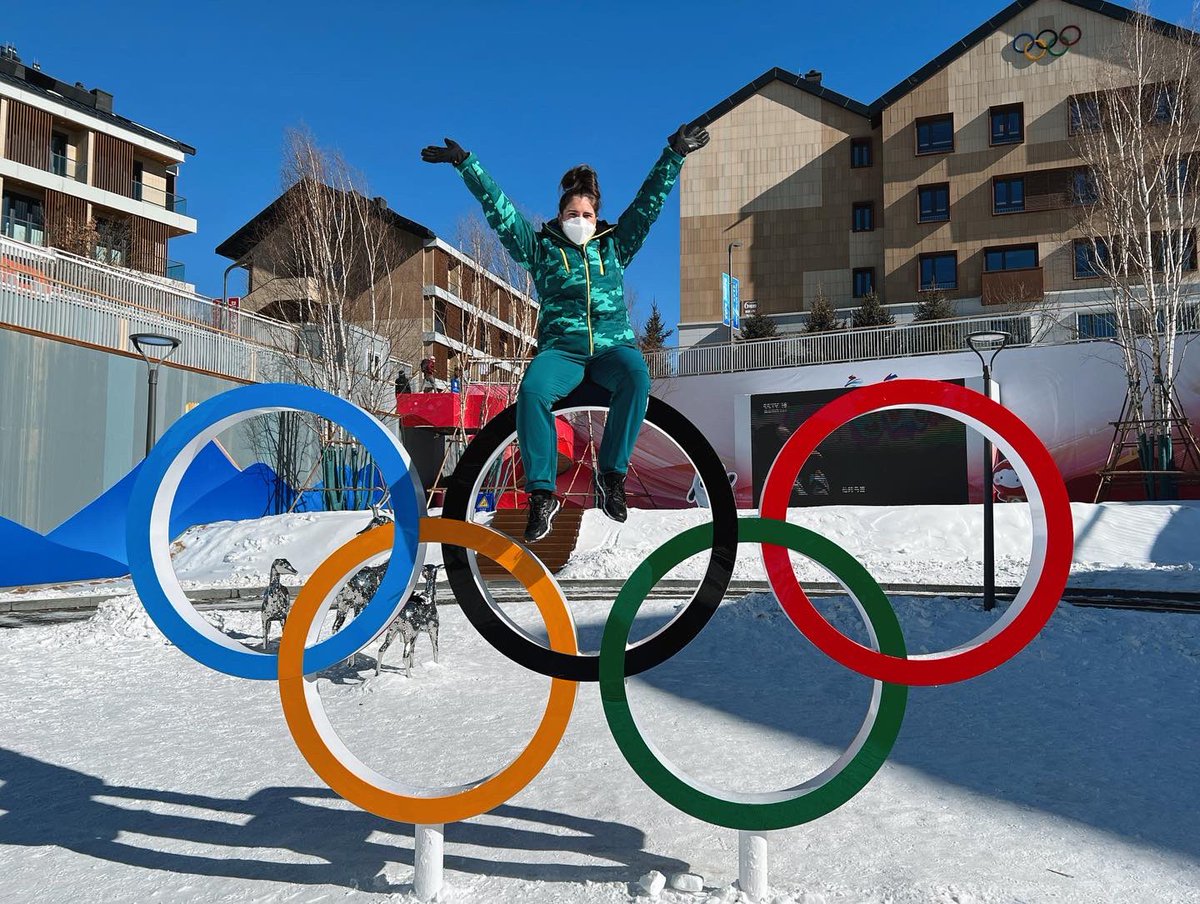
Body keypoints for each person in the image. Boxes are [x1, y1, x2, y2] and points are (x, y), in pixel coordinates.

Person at [422, 124, 709, 542]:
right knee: (534, 390)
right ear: (560, 216)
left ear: (597, 219)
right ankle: (541, 494)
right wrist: (467, 165)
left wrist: (674, 155)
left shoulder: (614, 246)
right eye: (572, 214)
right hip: (563, 353)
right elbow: (500, 211)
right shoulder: (541, 250)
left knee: (636, 378)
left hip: (613, 350)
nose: (580, 221)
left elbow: (649, 205)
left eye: (587, 215)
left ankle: (611, 476)